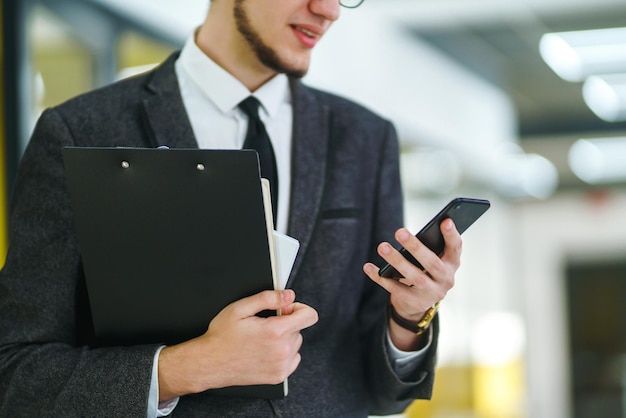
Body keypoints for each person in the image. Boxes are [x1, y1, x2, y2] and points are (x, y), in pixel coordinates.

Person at [0, 0, 462, 416]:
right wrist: (183, 368)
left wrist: (408, 317)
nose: (329, 10)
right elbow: (15, 371)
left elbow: (383, 392)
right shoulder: (81, 131)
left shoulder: (366, 137)